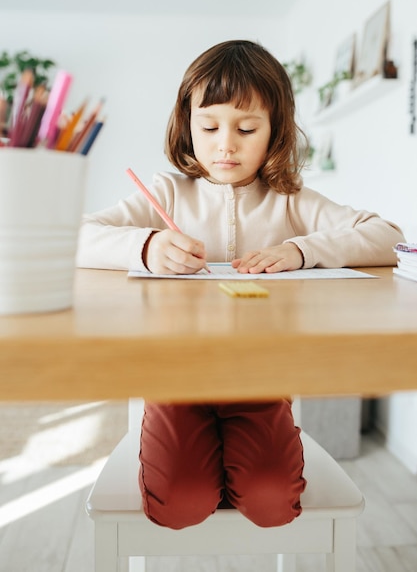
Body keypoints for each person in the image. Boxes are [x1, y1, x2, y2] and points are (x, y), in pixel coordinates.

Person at [77, 40, 404, 530]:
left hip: (262, 377)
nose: (225, 144)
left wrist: (301, 250)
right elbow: (75, 236)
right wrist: (145, 246)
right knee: (181, 503)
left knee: (273, 504)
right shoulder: (166, 192)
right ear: (187, 126)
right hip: (175, 376)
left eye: (246, 128)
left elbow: (390, 237)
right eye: (209, 127)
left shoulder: (290, 200)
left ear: (275, 131)